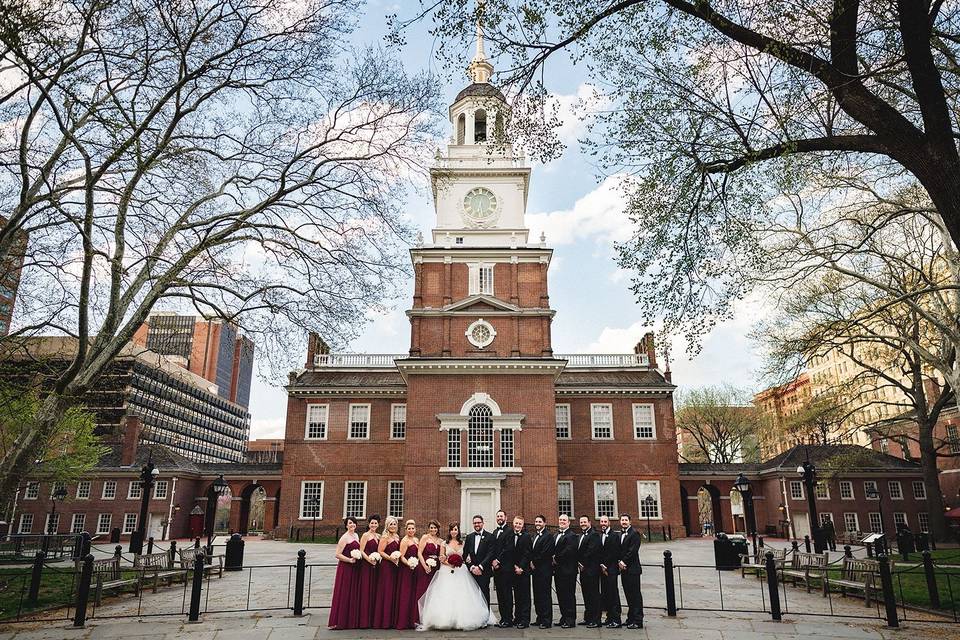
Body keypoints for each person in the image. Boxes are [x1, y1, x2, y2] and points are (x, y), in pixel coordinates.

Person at [418, 523, 497, 630]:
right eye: (452, 530)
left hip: (461, 571)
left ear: (458, 531)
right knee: (446, 595)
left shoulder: (463, 543)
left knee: (463, 594)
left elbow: (466, 556)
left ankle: (463, 619)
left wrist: (462, 562)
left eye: (456, 529)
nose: (454, 531)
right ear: (449, 531)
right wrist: (449, 563)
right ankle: (445, 619)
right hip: (447, 571)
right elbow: (441, 558)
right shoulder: (444, 543)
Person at [328, 516, 362, 630]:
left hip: (355, 568)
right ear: (346, 525)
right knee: (344, 592)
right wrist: (349, 560)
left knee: (353, 592)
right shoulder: (344, 537)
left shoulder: (356, 535)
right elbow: (337, 554)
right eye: (350, 523)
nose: (352, 525)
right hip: (346, 568)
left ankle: (351, 620)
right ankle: (340, 620)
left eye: (354, 523)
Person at [500, 515, 532, 629]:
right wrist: (513, 566)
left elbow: (527, 553)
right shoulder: (509, 535)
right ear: (513, 523)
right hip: (512, 570)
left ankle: (524, 620)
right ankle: (516, 618)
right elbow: (507, 552)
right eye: (516, 523)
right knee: (514, 596)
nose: (517, 525)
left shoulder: (527, 537)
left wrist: (521, 567)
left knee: (524, 596)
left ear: (522, 526)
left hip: (522, 571)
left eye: (520, 524)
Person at [372, 516, 401, 629]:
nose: (393, 526)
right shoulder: (385, 537)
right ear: (387, 526)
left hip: (395, 566)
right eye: (391, 524)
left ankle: (392, 619)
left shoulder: (397, 537)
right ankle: (383, 620)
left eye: (394, 524)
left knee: (393, 590)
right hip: (386, 566)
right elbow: (380, 551)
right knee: (386, 590)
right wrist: (391, 558)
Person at [529, 514, 555, 629]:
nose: (537, 523)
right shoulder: (535, 535)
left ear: (544, 523)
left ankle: (546, 620)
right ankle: (539, 618)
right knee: (537, 595)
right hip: (535, 571)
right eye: (536, 521)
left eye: (540, 522)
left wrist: (534, 562)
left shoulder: (548, 536)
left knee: (545, 595)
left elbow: (545, 553)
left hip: (544, 571)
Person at [552, 513, 578, 629]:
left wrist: (555, 558)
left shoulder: (572, 535)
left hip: (568, 571)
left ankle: (570, 619)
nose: (562, 521)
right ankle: (564, 617)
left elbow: (569, 550)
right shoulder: (556, 534)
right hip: (558, 571)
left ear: (568, 522)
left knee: (569, 595)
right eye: (560, 520)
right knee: (561, 595)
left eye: (564, 520)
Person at [618, 514, 644, 629]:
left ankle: (638, 620)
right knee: (628, 595)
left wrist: (623, 562)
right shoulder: (620, 534)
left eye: (626, 520)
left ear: (630, 521)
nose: (624, 522)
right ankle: (630, 618)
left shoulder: (634, 534)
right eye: (622, 520)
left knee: (635, 595)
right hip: (624, 570)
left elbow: (633, 550)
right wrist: (619, 561)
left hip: (633, 570)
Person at [394, 519, 420, 629]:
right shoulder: (404, 541)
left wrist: (417, 562)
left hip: (415, 569)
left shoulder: (416, 539)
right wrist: (409, 563)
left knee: (413, 594)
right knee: (406, 593)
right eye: (409, 528)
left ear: (415, 529)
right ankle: (403, 621)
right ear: (406, 529)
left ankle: (412, 619)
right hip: (406, 570)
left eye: (412, 528)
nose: (411, 530)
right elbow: (402, 556)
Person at [464, 514, 495, 603]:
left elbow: (490, 554)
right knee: (472, 596)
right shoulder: (469, 537)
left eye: (478, 522)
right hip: (472, 572)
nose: (477, 524)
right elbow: (465, 554)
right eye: (475, 523)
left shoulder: (490, 536)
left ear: (483, 523)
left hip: (484, 572)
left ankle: (485, 616)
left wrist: (480, 567)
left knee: (484, 594)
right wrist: (472, 567)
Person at [577, 514, 602, 628]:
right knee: (586, 595)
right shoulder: (581, 535)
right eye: (581, 522)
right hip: (583, 571)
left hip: (591, 570)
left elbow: (591, 551)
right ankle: (588, 618)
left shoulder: (594, 535)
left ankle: (596, 620)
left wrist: (582, 563)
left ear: (589, 523)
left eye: (584, 522)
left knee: (594, 595)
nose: (582, 524)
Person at [356, 515, 381, 628]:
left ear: (378, 524)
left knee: (374, 591)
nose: (374, 525)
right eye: (372, 523)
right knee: (366, 590)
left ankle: (372, 619)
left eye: (375, 523)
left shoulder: (379, 536)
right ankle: (363, 620)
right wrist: (370, 560)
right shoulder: (365, 535)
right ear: (369, 524)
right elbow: (361, 551)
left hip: (376, 566)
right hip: (367, 565)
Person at [598, 515, 622, 628]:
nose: (603, 523)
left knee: (613, 594)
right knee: (606, 594)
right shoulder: (600, 535)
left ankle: (616, 619)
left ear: (609, 523)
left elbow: (614, 552)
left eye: (605, 521)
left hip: (611, 569)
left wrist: (605, 565)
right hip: (603, 569)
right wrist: (602, 565)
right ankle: (609, 617)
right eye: (601, 521)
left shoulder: (614, 535)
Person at [490, 509, 511, 626]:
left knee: (507, 594)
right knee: (500, 594)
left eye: (501, 516)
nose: (499, 518)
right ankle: (503, 618)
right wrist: (492, 561)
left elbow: (508, 549)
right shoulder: (494, 532)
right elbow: (492, 548)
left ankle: (508, 618)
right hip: (497, 569)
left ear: (506, 518)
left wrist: (497, 560)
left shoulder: (509, 531)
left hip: (505, 568)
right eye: (498, 516)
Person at [416, 520, 443, 599]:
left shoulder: (440, 541)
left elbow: (441, 555)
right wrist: (424, 566)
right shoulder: (425, 537)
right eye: (431, 528)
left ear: (438, 529)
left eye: (435, 528)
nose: (433, 529)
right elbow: (419, 553)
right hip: (424, 566)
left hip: (436, 567)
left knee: (433, 590)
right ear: (428, 528)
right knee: (424, 588)